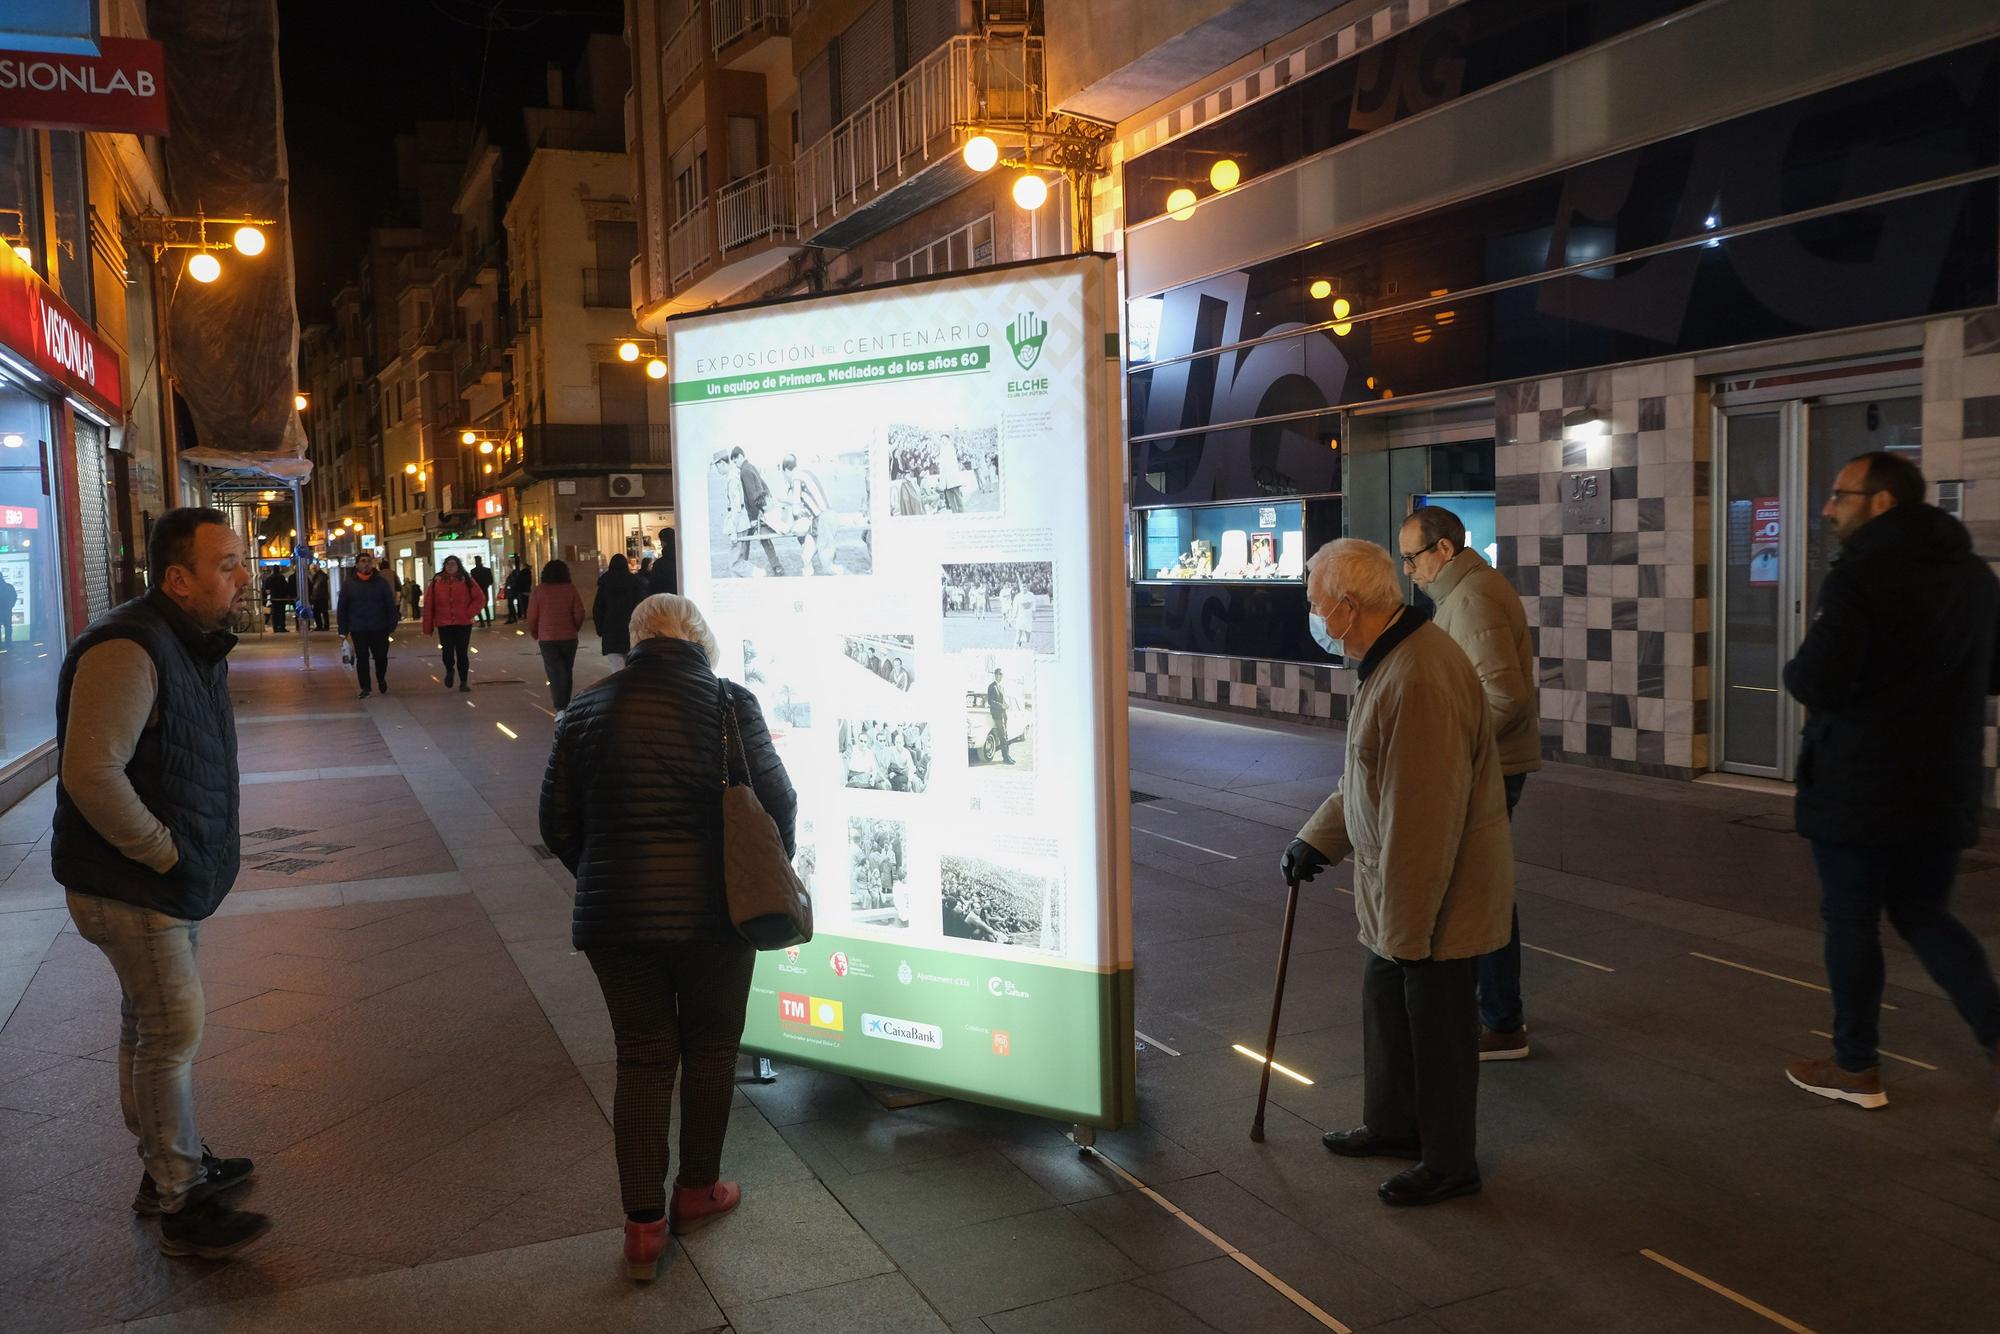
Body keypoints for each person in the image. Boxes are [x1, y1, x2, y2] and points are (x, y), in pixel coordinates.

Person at [539, 593, 795, 1282]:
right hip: (717, 913)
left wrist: (604, 877)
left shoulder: (585, 710)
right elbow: (779, 798)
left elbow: (556, 826)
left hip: (614, 920)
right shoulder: (730, 703)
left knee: (643, 1058)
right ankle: (697, 1190)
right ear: (700, 640)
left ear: (636, 639)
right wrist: (768, 870)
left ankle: (643, 1226)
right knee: (711, 1049)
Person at [53, 506, 269, 1259]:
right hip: (135, 883)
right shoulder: (130, 647)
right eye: (226, 564)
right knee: (169, 1035)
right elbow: (90, 773)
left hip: (154, 882)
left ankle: (164, 1167)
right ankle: (180, 1198)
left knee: (148, 1027)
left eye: (240, 561)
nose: (242, 576)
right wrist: (167, 853)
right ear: (178, 578)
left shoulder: (184, 640)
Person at [1280, 538, 1512, 1207]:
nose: (1315, 617)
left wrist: (1408, 934)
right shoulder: (1392, 661)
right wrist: (1316, 839)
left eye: (1317, 604)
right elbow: (1366, 780)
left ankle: (1447, 1161)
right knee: (1388, 1005)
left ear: (1349, 608)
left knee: (1435, 1024)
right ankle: (1393, 1125)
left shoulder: (1420, 677)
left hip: (1438, 897)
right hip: (1401, 891)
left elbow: (1422, 821)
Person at [1780, 451, 2000, 1132]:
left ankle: (1856, 1067)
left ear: (1880, 502)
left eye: (1840, 495)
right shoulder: (1974, 575)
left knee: (1851, 919)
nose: (1827, 507)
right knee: (1925, 913)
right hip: (1944, 779)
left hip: (1860, 783)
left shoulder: (1860, 576)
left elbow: (1818, 680)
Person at [1401, 505, 1540, 1061]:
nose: (1406, 569)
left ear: (1444, 551)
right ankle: (1497, 1011)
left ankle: (1501, 1021)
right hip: (1490, 763)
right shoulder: (1465, 594)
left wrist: (1451, 743)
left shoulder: (1475, 596)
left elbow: (1504, 697)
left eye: (1412, 557)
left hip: (1489, 767)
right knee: (1485, 889)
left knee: (1483, 893)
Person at [525, 558, 587, 711]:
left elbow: (532, 615)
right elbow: (580, 613)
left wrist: (535, 633)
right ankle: (565, 703)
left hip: (547, 638)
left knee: (554, 672)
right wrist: (574, 628)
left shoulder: (539, 590)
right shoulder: (570, 588)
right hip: (569, 638)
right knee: (566, 670)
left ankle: (560, 706)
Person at [337, 551, 398, 698]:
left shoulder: (381, 583)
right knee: (362, 658)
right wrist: (343, 630)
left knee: (381, 657)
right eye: (363, 561)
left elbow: (390, 604)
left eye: (368, 561)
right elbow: (342, 608)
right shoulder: (349, 584)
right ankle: (365, 687)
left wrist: (391, 624)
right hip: (359, 628)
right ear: (357, 564)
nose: (366, 564)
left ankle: (381, 677)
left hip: (380, 627)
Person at [423, 555, 485, 693]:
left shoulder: (466, 580)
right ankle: (449, 670)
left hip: (463, 623)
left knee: (462, 653)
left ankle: (463, 682)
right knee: (447, 651)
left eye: (453, 564)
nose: (450, 566)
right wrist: (428, 624)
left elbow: (479, 598)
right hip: (444, 623)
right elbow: (429, 603)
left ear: (458, 566)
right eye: (448, 564)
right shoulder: (437, 581)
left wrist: (469, 613)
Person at [732, 447, 785, 576]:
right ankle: (777, 567)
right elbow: (764, 484)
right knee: (764, 539)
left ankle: (742, 564)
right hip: (762, 510)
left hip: (755, 514)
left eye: (735, 461)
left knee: (746, 538)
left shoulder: (744, 471)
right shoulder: (751, 466)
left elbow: (751, 496)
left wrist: (755, 518)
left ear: (740, 457)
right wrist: (768, 503)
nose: (735, 464)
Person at [781, 455, 830, 575]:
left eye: (784, 474)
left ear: (787, 470)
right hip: (826, 516)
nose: (785, 478)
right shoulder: (806, 473)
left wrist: (782, 501)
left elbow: (796, 509)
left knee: (807, 556)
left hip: (821, 521)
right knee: (806, 556)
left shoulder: (796, 478)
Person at [593, 553, 646, 662]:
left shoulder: (605, 584)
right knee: (632, 664)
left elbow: (598, 608)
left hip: (610, 630)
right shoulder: (635, 583)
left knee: (616, 666)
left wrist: (600, 629)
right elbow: (642, 606)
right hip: (630, 628)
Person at [987, 667, 1014, 764]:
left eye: (1001, 674)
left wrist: (1006, 704)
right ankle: (1005, 758)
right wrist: (1001, 706)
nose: (1000, 676)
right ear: (995, 675)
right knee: (1002, 737)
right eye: (998, 674)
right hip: (997, 715)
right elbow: (990, 701)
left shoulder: (1001, 687)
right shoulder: (992, 686)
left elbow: (1002, 700)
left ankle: (1007, 756)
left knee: (1006, 736)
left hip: (1003, 714)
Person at [260, 565, 292, 634]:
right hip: (282, 598)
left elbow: (265, 588)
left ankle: (275, 627)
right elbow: (286, 587)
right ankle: (282, 627)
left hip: (274, 598)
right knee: (282, 613)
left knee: (275, 613)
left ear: (272, 570)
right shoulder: (281, 577)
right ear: (279, 569)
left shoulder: (269, 578)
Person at [648, 526, 678, 595]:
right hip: (682, 602)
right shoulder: (684, 561)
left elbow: (653, 588)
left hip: (664, 602)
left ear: (663, 542)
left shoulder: (659, 564)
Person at [468, 555, 496, 625]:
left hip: (477, 591)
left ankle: (482, 622)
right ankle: (488, 621)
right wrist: (486, 585)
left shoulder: (473, 571)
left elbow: (472, 582)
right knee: (485, 606)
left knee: (478, 606)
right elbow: (491, 581)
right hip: (484, 589)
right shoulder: (486, 570)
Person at [504, 556, 532, 624]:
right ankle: (516, 617)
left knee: (520, 604)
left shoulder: (520, 573)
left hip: (517, 590)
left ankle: (516, 617)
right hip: (520, 590)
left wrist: (510, 587)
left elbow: (518, 581)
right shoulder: (522, 573)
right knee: (521, 604)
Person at [308, 564, 331, 631]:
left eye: (313, 569)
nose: (312, 570)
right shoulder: (319, 575)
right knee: (321, 612)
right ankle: (322, 625)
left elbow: (316, 586)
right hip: (320, 597)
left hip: (319, 597)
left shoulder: (320, 575)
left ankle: (322, 626)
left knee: (320, 612)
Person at [0, 565, 15, 645]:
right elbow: (14, 597)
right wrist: (10, 606)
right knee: (8, 627)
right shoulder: (9, 587)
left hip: (5, 610)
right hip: (7, 611)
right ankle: (8, 643)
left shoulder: (9, 587)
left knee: (8, 627)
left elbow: (13, 597)